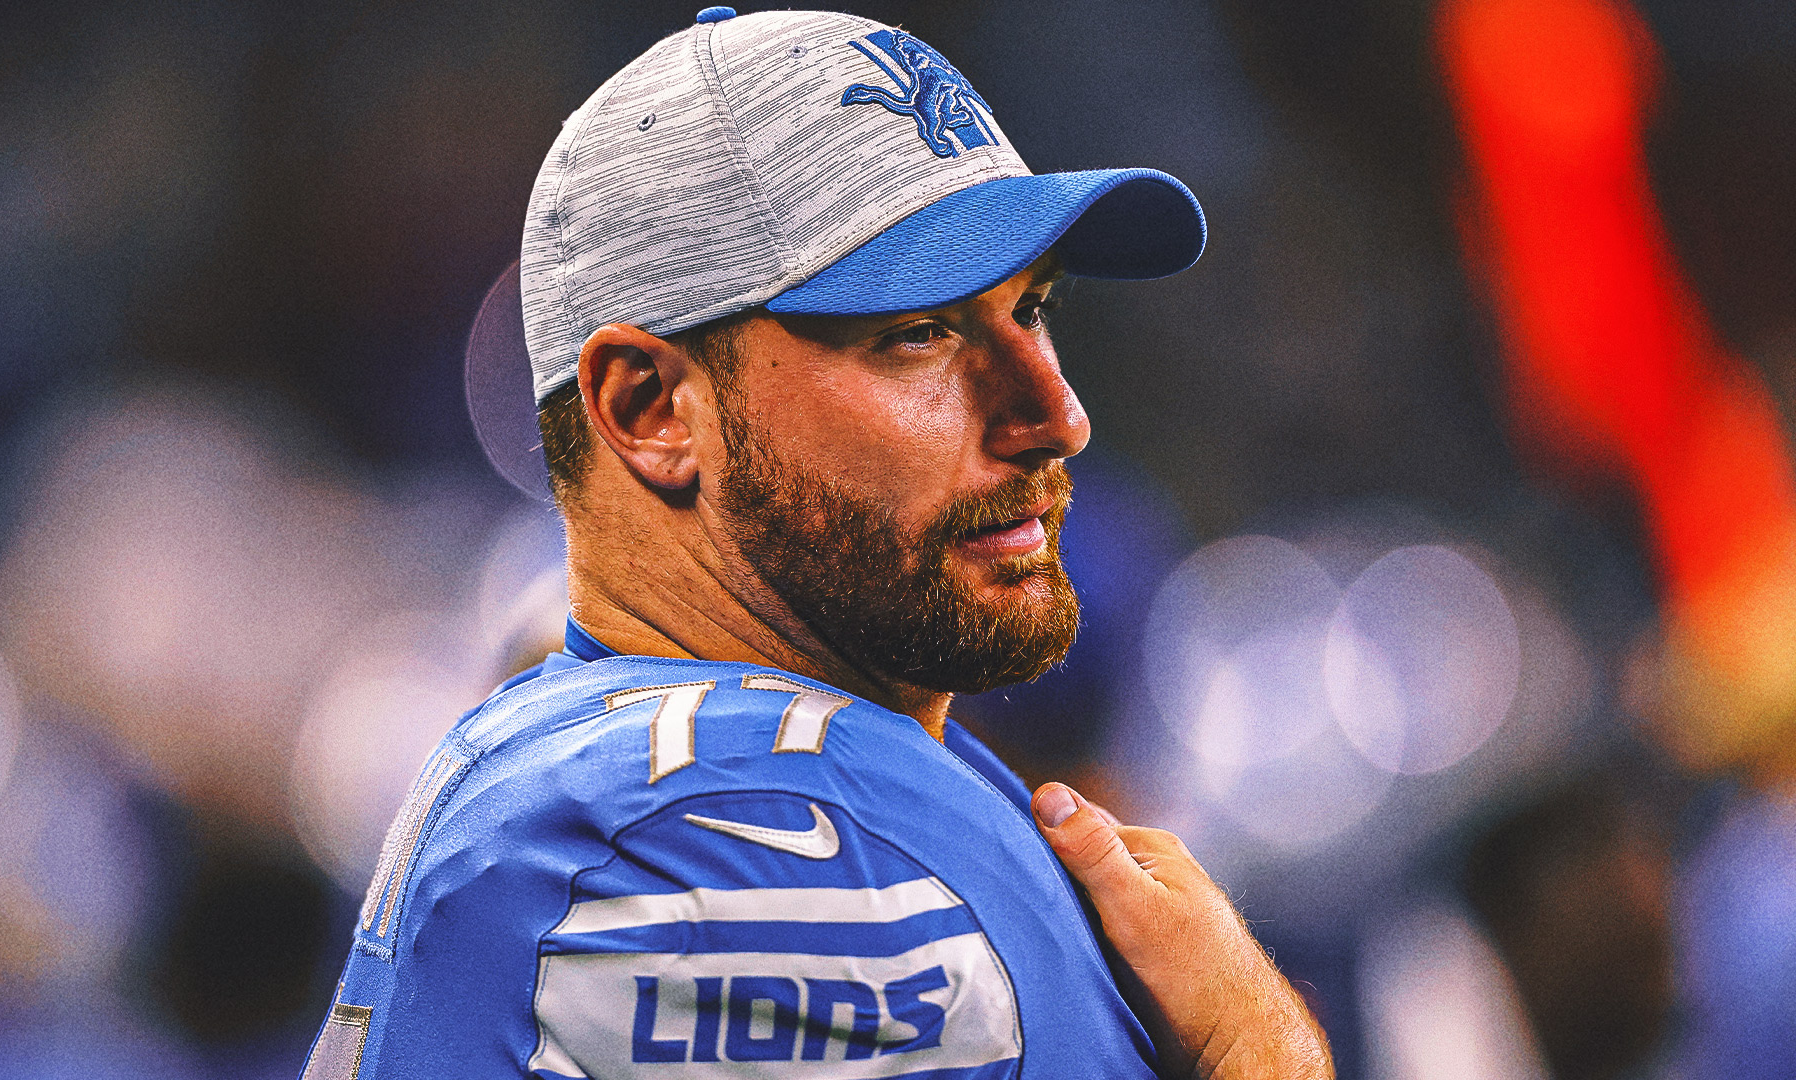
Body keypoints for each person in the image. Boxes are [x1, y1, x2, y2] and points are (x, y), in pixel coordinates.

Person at [300, 8, 1331, 1078]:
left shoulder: (648, 770)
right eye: (920, 333)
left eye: (1032, 309)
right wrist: (1259, 1050)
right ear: (651, 408)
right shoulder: (742, 839)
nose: (1057, 414)